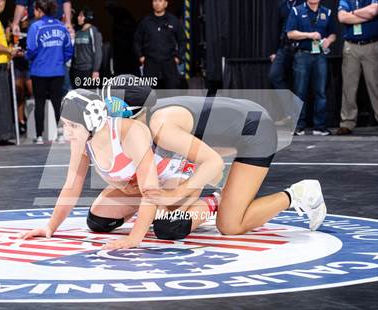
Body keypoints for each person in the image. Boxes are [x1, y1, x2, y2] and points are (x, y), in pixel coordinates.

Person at [102, 76, 328, 238]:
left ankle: (299, 194)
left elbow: (213, 162)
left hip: (255, 131)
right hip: (228, 130)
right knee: (171, 210)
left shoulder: (160, 127)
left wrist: (178, 193)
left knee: (231, 225)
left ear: (128, 114)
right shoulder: (149, 121)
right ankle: (221, 195)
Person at [21, 88, 222, 248]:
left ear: (93, 121)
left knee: (169, 227)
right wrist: (50, 227)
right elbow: (72, 185)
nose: (67, 133)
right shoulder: (82, 140)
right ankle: (152, 212)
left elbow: (150, 190)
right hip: (145, 186)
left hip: (178, 175)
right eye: (64, 125)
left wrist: (134, 238)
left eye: (72, 126)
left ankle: (212, 201)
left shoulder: (130, 132)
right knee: (98, 221)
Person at [26, 0, 73, 144]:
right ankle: (60, 135)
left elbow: (31, 50)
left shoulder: (35, 27)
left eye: (35, 9)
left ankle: (39, 136)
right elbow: (69, 50)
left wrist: (27, 56)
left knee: (39, 103)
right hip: (57, 71)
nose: (33, 12)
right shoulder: (62, 27)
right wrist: (58, 60)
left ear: (40, 10)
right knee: (57, 103)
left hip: (39, 71)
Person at [286, 0, 337, 136]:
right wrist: (309, 35)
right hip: (302, 55)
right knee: (299, 91)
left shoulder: (327, 12)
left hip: (320, 56)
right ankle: (298, 125)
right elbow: (290, 33)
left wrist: (329, 40)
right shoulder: (297, 10)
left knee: (320, 92)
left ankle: (320, 126)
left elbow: (333, 33)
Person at [336, 0, 378, 135]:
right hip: (351, 46)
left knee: (375, 85)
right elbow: (342, 17)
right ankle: (347, 123)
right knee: (349, 87)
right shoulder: (346, 0)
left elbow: (373, 12)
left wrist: (352, 14)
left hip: (372, 46)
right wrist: (364, 15)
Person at [134, 0, 186, 89]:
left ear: (166, 4)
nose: (157, 3)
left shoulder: (173, 21)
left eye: (160, 1)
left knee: (172, 91)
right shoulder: (145, 22)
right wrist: (140, 56)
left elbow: (182, 40)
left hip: (169, 62)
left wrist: (178, 57)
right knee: (149, 92)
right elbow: (137, 40)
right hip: (150, 62)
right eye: (155, 1)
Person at [70, 7, 102, 89]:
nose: (78, 18)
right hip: (77, 69)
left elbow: (98, 52)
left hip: (88, 70)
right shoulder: (78, 32)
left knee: (89, 96)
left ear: (87, 17)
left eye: (81, 16)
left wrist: (95, 70)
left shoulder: (93, 31)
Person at [13, 11, 32, 135]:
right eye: (21, 19)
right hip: (18, 65)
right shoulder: (14, 30)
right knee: (19, 95)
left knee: (31, 93)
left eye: (24, 19)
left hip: (29, 65)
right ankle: (21, 122)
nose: (23, 21)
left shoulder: (32, 29)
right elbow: (10, 45)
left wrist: (25, 54)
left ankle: (32, 121)